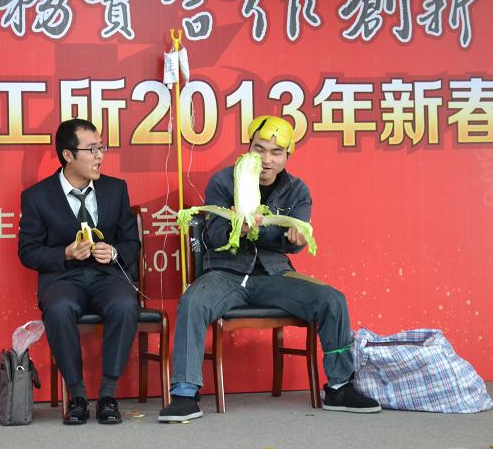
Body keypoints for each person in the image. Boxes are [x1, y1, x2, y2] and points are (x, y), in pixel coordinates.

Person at [158, 115, 381, 422]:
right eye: (259, 149)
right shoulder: (223, 181)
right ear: (247, 148)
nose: (266, 159)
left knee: (332, 300)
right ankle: (184, 394)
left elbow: (293, 241)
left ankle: (340, 387)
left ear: (287, 156)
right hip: (225, 272)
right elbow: (214, 235)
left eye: (276, 152)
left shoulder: (297, 190)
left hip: (274, 275)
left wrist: (295, 238)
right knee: (193, 300)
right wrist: (238, 229)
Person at [18, 118, 140, 425]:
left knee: (125, 304)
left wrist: (114, 252)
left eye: (101, 148)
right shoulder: (37, 197)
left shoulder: (116, 189)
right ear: (68, 155)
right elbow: (28, 252)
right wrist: (65, 253)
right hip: (63, 278)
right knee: (59, 308)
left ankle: (108, 395)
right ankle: (77, 396)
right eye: (92, 149)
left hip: (107, 276)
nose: (100, 156)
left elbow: (131, 243)